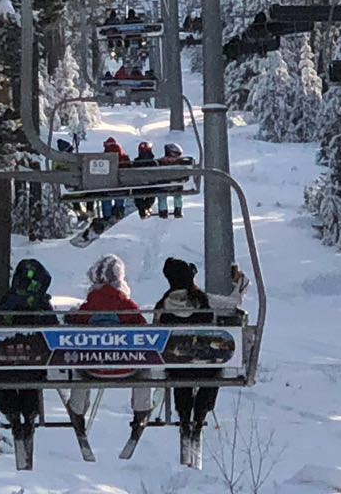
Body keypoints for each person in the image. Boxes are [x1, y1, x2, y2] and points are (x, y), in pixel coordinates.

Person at [154, 258, 250, 452]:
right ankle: (200, 417)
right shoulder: (205, 301)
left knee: (179, 369)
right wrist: (238, 283)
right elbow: (234, 303)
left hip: (177, 368)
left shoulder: (162, 305)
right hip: (207, 366)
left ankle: (184, 419)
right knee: (212, 367)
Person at [66, 255, 152, 432]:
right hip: (127, 366)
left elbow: (74, 329)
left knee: (79, 369)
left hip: (93, 367)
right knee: (145, 369)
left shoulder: (88, 307)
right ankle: (141, 412)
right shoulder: (127, 306)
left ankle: (77, 410)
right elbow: (144, 330)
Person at [0, 259, 54, 438]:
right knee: (31, 375)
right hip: (34, 365)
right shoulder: (41, 303)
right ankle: (28, 416)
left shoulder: (8, 300)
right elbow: (53, 329)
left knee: (4, 375)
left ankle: (14, 415)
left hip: (6, 364)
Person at [100, 137, 130, 221]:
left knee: (106, 198)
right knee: (120, 193)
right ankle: (119, 210)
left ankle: (107, 216)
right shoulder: (124, 157)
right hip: (122, 188)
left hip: (107, 189)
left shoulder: (103, 158)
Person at [156, 143, 187, 218]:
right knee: (177, 194)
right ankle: (177, 209)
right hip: (175, 186)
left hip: (164, 187)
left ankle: (163, 210)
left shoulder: (159, 163)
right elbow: (185, 176)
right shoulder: (180, 163)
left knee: (162, 195)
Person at [131, 141, 158, 218]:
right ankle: (147, 208)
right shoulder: (153, 163)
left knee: (137, 193)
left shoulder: (136, 162)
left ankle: (142, 209)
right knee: (153, 191)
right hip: (151, 187)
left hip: (138, 188)